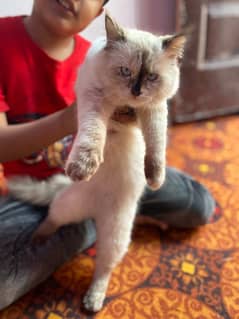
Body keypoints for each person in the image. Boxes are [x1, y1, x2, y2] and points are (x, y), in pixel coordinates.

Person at [0, 0, 215, 310]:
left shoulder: (104, 52)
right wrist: (70, 118)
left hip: (120, 169)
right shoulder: (5, 43)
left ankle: (92, 219)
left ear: (100, 11)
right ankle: (90, 220)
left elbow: (153, 107)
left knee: (199, 204)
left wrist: (152, 152)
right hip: (47, 178)